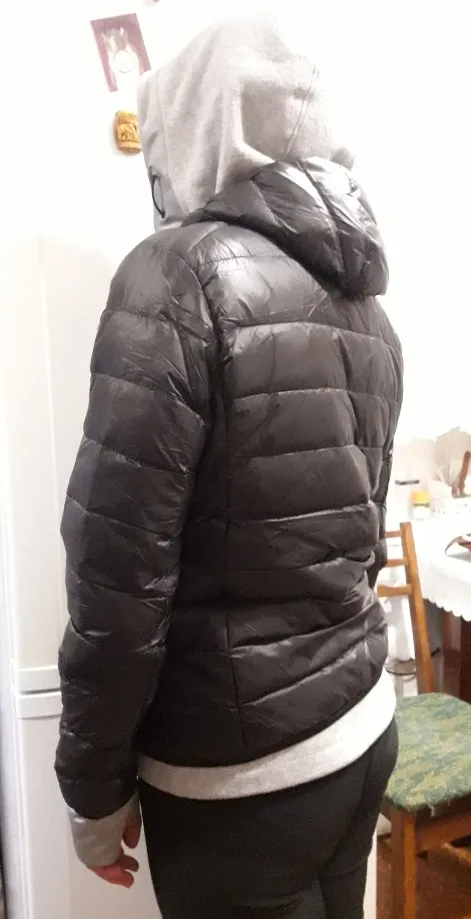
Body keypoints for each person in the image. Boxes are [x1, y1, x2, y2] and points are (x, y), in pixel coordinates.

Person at [56, 11, 403, 919]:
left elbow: (117, 570)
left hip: (244, 779)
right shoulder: (369, 314)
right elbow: (359, 544)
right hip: (359, 730)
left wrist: (92, 785)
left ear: (192, 127)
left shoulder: (176, 275)